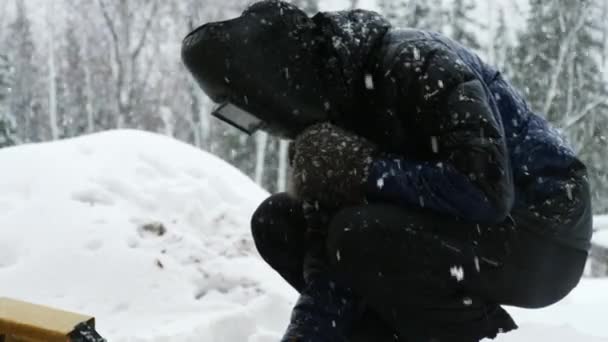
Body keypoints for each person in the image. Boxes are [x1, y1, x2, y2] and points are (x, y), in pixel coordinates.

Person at [181, 1, 593, 341]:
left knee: (359, 231)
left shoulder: (419, 63)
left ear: (279, 85)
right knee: (279, 221)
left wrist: (367, 169)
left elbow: (484, 190)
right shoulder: (327, 128)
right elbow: (327, 259)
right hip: (460, 231)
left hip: (544, 236)